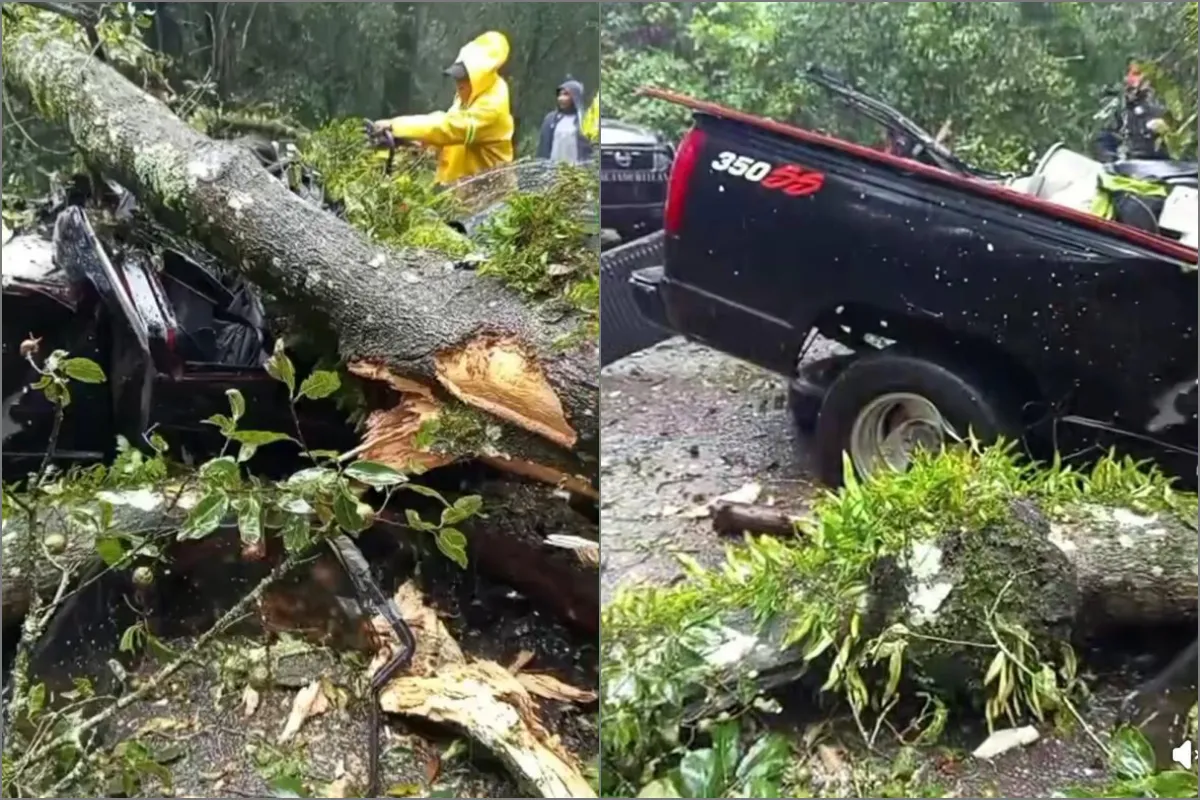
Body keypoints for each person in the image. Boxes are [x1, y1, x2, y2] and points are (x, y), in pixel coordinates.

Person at [370, 31, 514, 185]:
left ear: (480, 76)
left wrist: (395, 126)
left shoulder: (492, 106)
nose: (459, 84)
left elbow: (450, 128)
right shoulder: (471, 94)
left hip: (492, 198)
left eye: (465, 78)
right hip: (463, 193)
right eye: (457, 78)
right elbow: (445, 122)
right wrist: (414, 141)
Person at [1120, 61, 1170, 160]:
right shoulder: (1118, 105)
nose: (1134, 79)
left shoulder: (1160, 101)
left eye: (1138, 74)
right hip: (1129, 159)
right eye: (1132, 74)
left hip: (1157, 161)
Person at [537, 78, 594, 164]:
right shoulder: (550, 119)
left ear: (575, 97)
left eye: (566, 94)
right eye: (560, 95)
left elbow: (590, 150)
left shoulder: (584, 120)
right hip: (552, 171)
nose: (561, 98)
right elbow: (543, 149)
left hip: (577, 172)